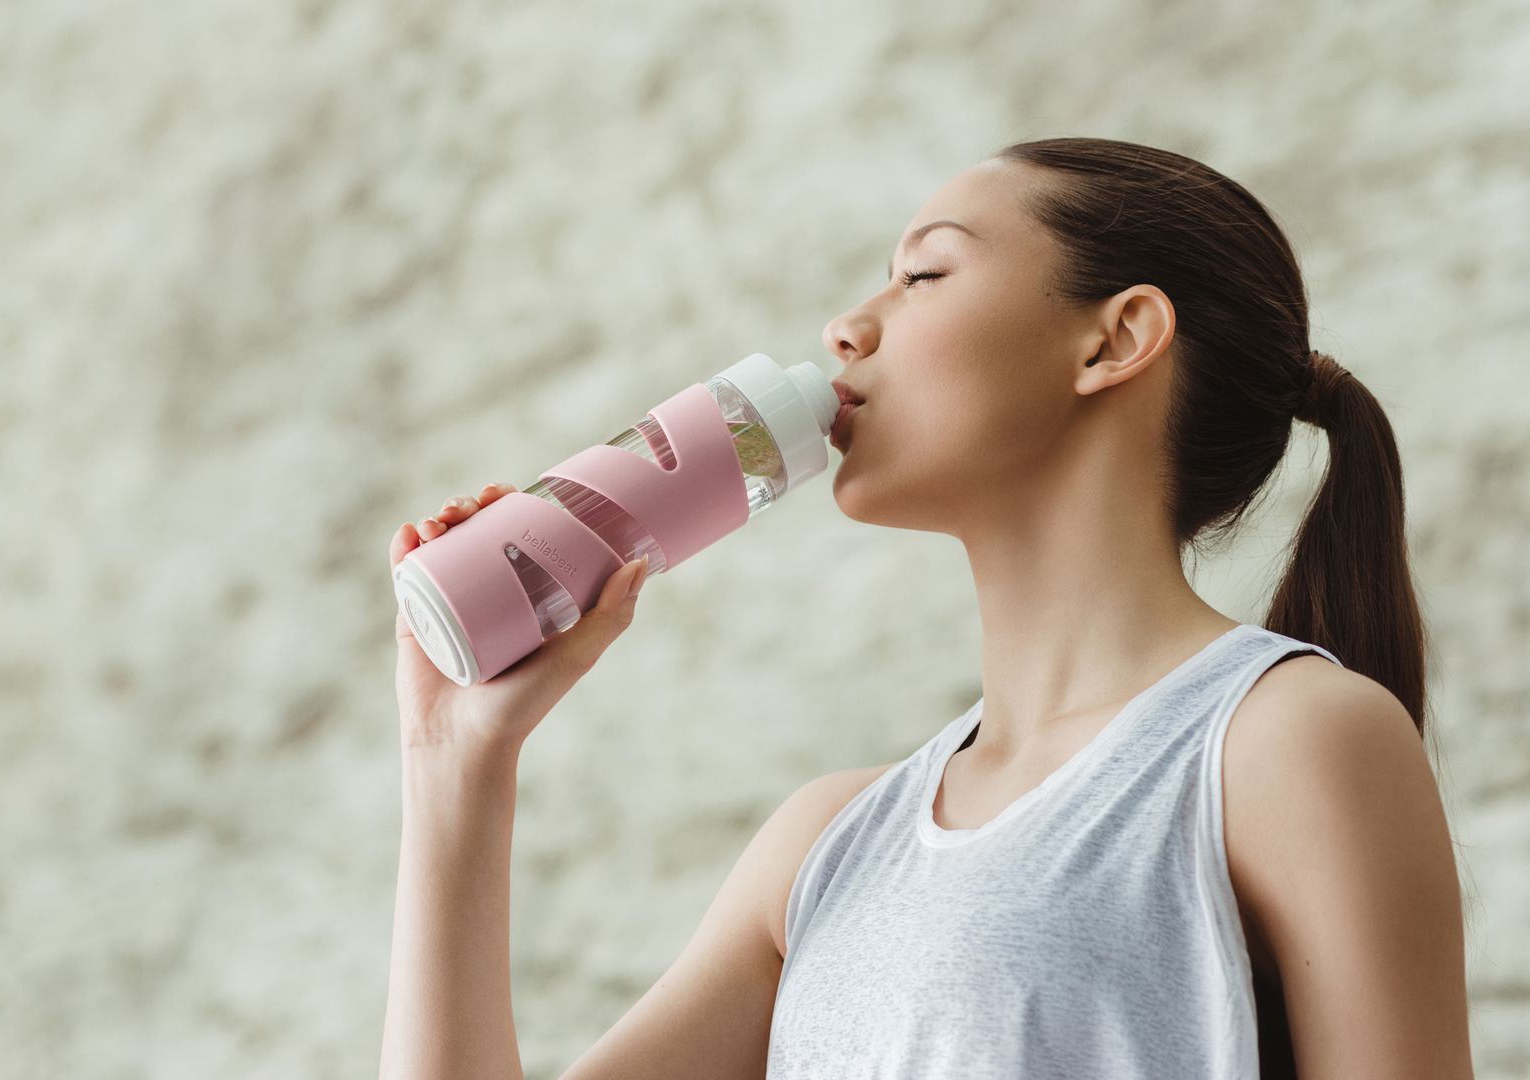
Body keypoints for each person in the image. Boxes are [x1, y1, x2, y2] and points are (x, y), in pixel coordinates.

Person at [378, 136, 1472, 1079]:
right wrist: (455, 762)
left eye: (925, 274)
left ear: (1115, 338)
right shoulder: (823, 845)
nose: (848, 329)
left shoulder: (1287, 743)